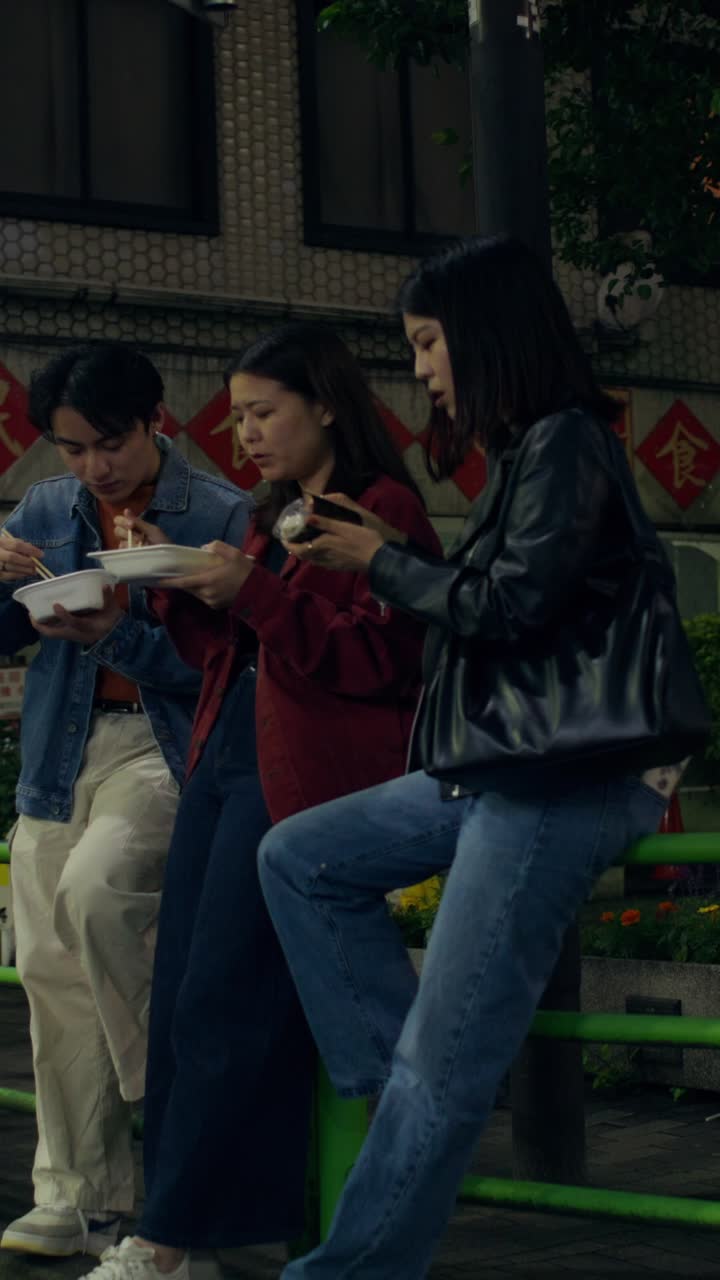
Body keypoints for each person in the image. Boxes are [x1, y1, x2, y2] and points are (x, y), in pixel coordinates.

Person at [257, 236, 704, 1279]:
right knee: (298, 857)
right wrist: (391, 551)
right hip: (509, 765)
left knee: (438, 1067)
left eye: (426, 341)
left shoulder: (567, 443)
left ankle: (365, 1231)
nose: (418, 367)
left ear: (485, 334)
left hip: (567, 775)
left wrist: (383, 560)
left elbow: (507, 608)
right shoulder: (533, 450)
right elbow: (498, 599)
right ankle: (403, 1089)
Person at [84, 322, 441, 1280]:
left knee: (224, 1000)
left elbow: (376, 661)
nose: (246, 434)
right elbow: (234, 656)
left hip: (304, 775)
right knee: (182, 1005)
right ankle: (206, 1229)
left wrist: (247, 590)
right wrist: (170, 592)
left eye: (264, 413)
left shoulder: (380, 505)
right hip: (226, 757)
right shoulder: (272, 509)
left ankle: (171, 1242)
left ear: (325, 403)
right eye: (238, 416)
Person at [0, 343, 252, 1259]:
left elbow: (217, 671)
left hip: (166, 752)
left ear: (155, 422)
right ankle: (79, 1196)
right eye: (71, 449)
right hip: (56, 761)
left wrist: (119, 637)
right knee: (47, 975)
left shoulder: (219, 512)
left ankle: (183, 1137)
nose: (92, 467)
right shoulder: (45, 509)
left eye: (108, 442)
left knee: (99, 895)